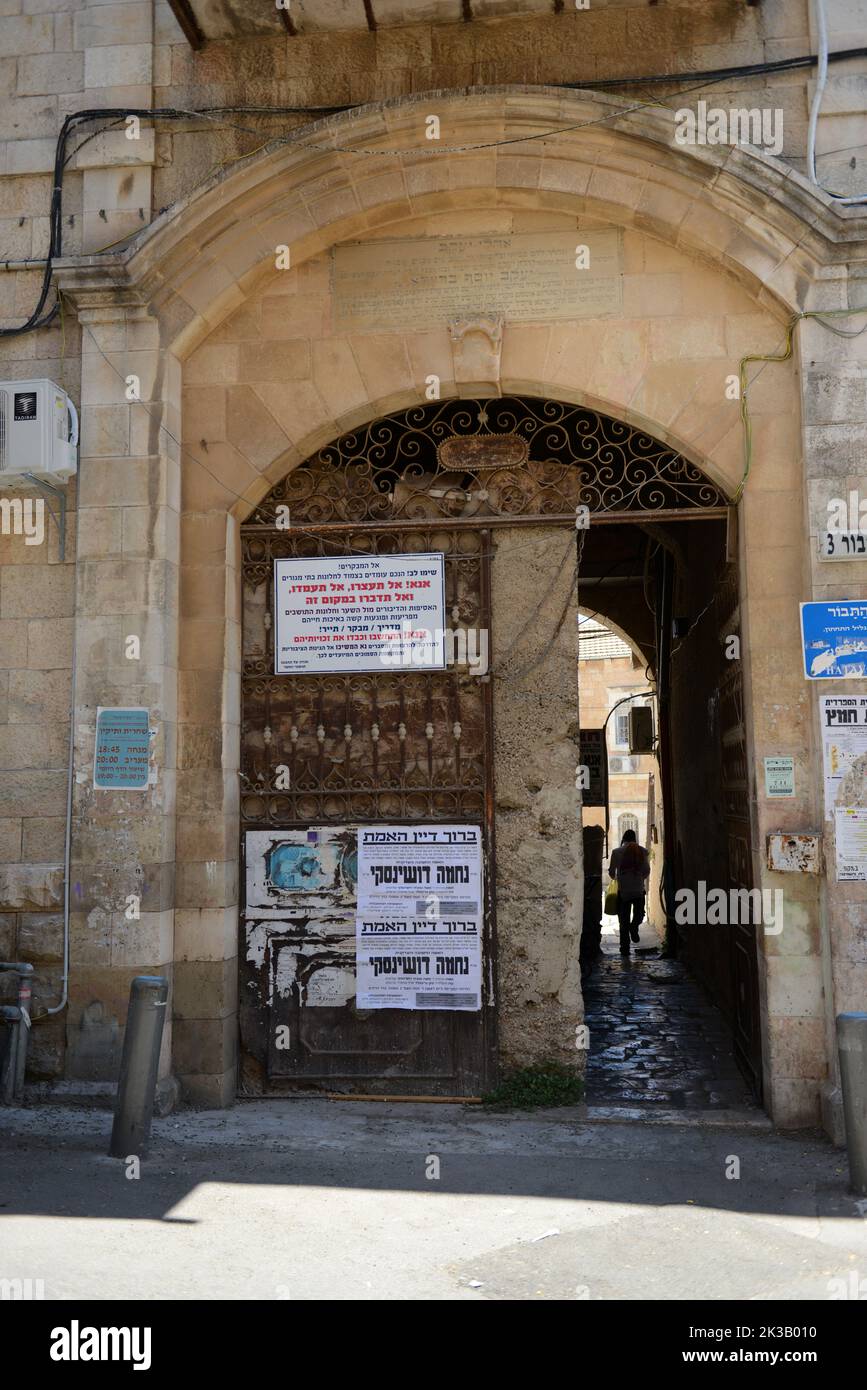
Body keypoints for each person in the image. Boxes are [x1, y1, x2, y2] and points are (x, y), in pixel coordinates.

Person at [608, 829, 650, 957]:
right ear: (634, 838)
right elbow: (647, 871)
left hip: (623, 891)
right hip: (638, 890)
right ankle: (634, 926)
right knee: (639, 914)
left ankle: (624, 948)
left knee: (623, 921)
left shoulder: (616, 852)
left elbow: (611, 872)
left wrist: (618, 878)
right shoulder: (643, 851)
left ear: (623, 838)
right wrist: (638, 878)